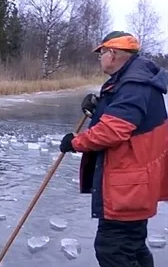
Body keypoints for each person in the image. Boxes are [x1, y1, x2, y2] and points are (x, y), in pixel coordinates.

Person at [59, 30, 168, 267]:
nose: (100, 58)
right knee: (133, 246)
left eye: (101, 53)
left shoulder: (135, 85)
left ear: (112, 53)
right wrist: (99, 108)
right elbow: (123, 119)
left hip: (128, 185)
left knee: (112, 250)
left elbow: (113, 130)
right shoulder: (132, 81)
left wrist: (75, 142)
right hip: (135, 182)